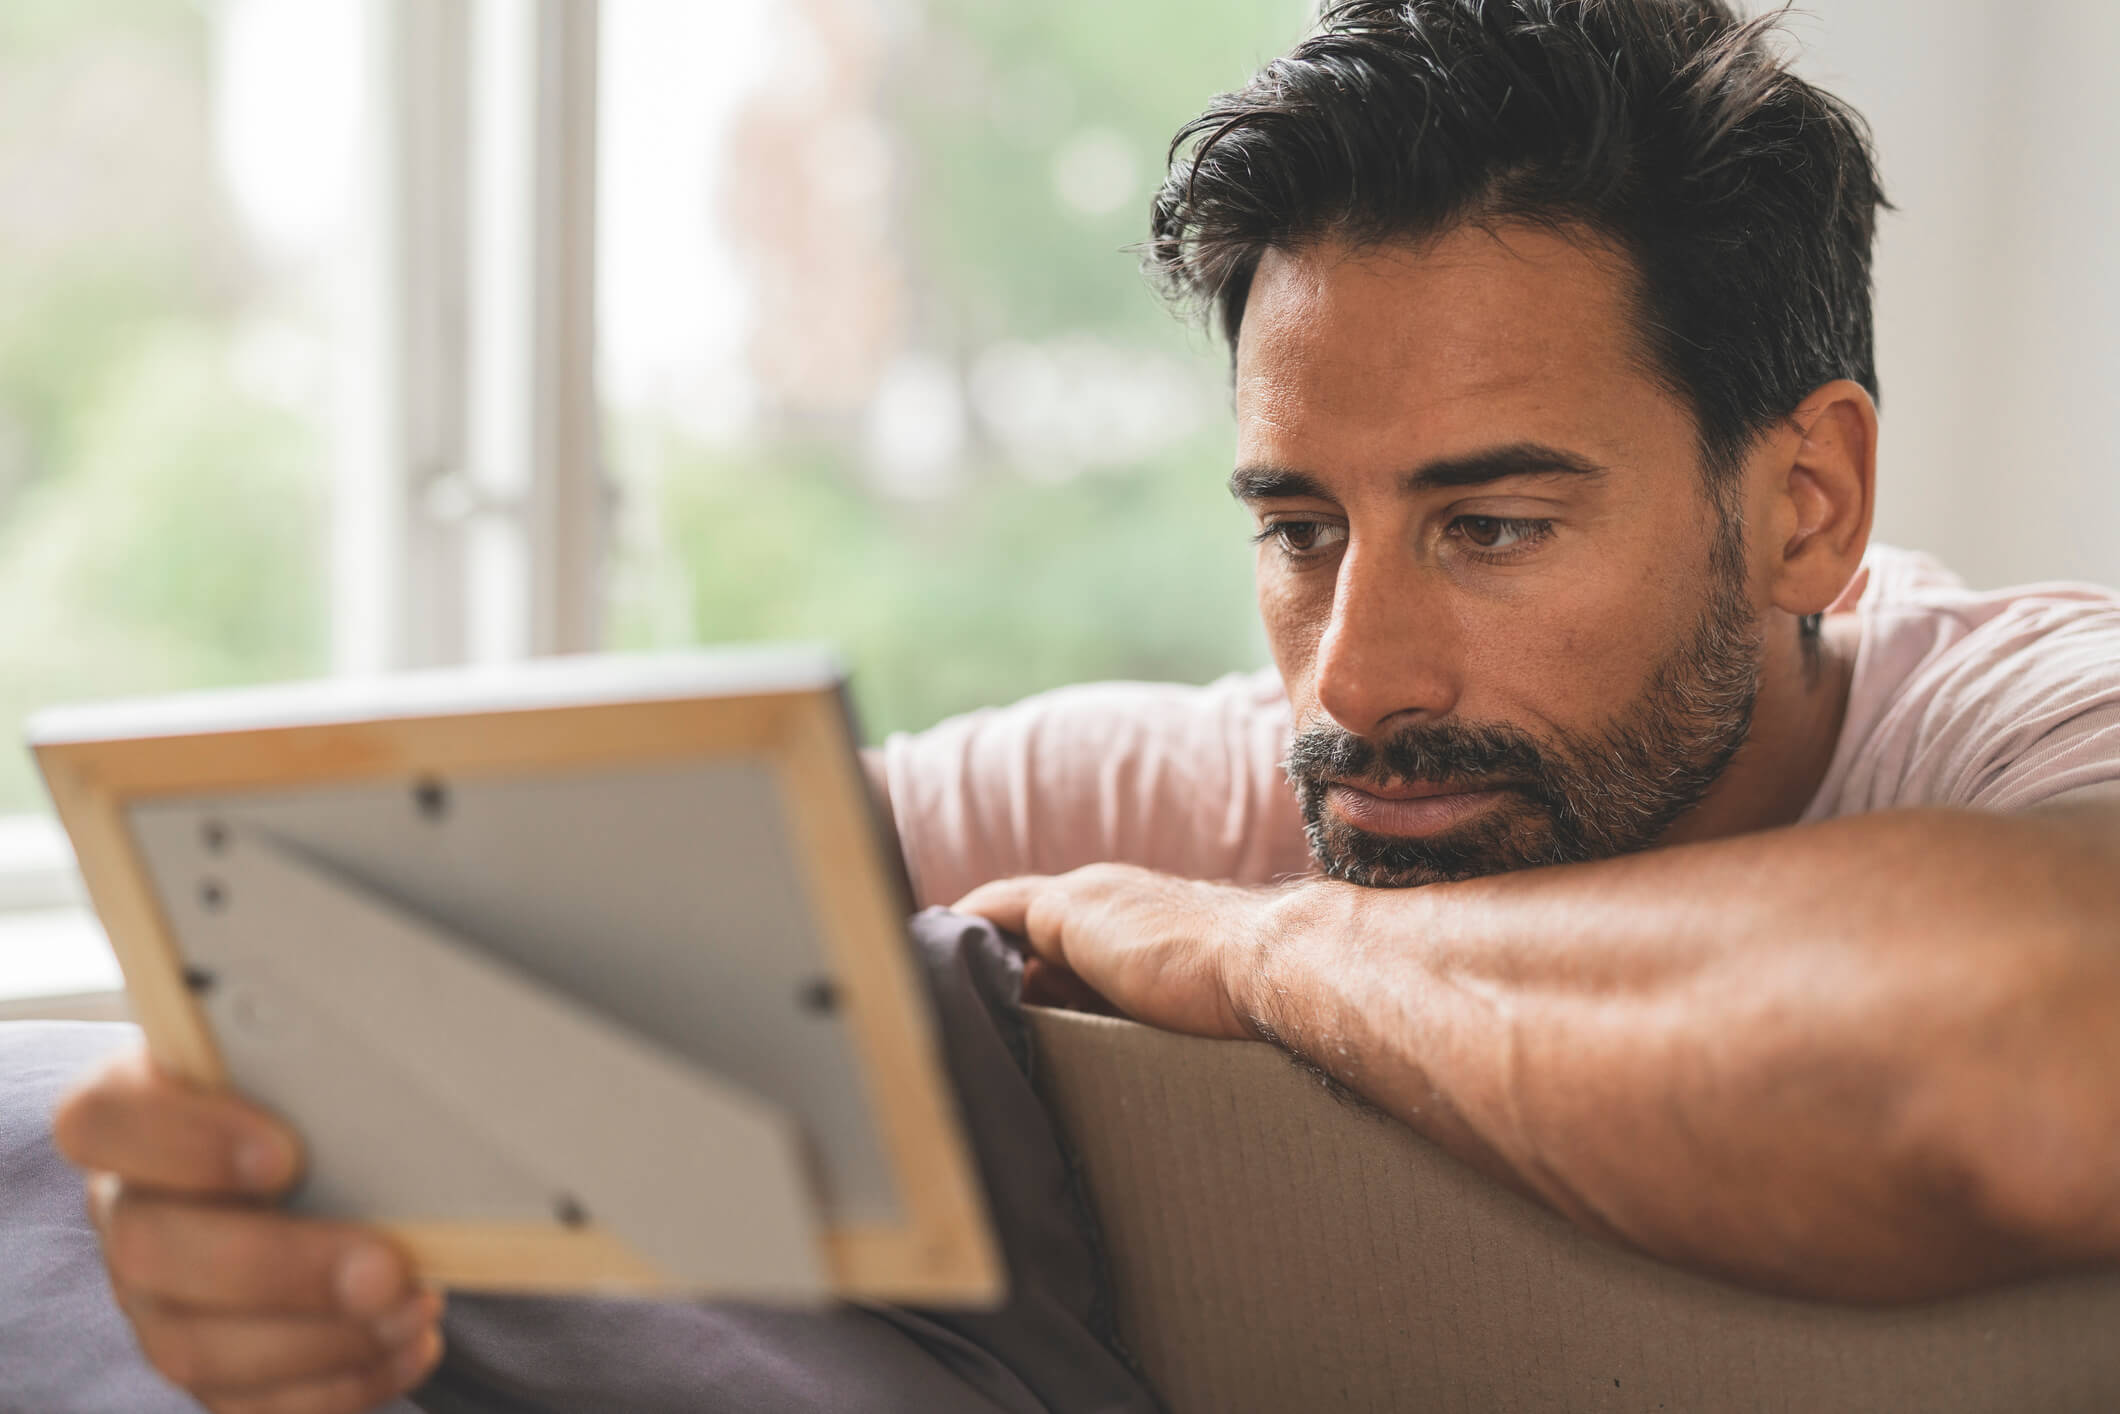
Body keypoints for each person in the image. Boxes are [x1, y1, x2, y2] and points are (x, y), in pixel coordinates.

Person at [49, 1, 2120, 1410]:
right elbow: (505, 927)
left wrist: (1255, 945)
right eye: (1300, 524)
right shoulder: (1200, 772)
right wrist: (248, 1197)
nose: (1354, 674)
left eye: (1490, 528)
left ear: (1806, 502)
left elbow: (2030, 1057)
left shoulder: (2031, 725)